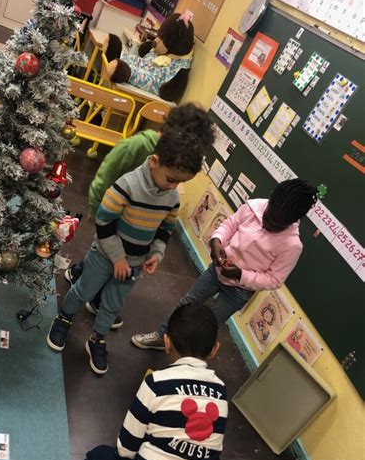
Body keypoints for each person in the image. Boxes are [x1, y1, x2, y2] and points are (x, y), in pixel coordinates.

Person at [70, 303, 236, 460]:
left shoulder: (156, 383)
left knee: (97, 458)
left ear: (167, 342)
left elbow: (125, 448)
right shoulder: (222, 395)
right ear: (215, 349)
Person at [46, 128, 206, 374]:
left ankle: (97, 339)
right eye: (171, 179)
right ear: (154, 162)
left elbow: (166, 227)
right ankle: (64, 318)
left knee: (112, 304)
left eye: (180, 182)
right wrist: (118, 258)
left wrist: (157, 253)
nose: (174, 187)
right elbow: (104, 221)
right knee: (84, 290)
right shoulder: (127, 186)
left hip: (135, 262)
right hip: (104, 255)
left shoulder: (171, 196)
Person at [64, 103, 214, 330]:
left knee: (113, 261)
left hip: (138, 219)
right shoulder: (138, 146)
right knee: (102, 253)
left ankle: (97, 297)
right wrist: (95, 211)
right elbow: (105, 176)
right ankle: (80, 275)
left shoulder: (173, 172)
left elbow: (166, 220)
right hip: (114, 209)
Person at [132, 179, 318, 351]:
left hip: (239, 291)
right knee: (186, 304)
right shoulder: (254, 207)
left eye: (276, 223)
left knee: (207, 325)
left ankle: (184, 356)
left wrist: (241, 275)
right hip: (216, 272)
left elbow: (274, 280)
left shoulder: (292, 245)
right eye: (269, 213)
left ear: (292, 220)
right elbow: (230, 224)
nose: (268, 221)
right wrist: (217, 241)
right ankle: (162, 336)